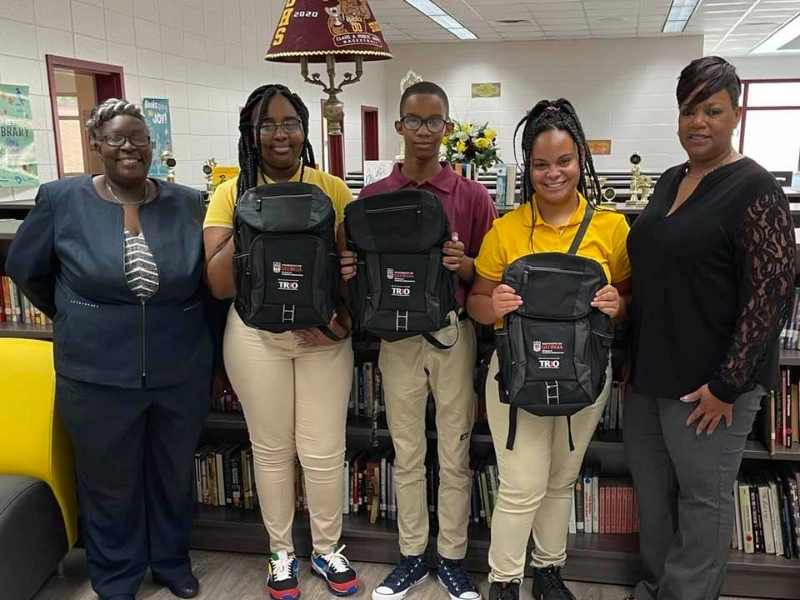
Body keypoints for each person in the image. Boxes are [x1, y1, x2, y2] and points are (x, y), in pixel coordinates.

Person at [6, 99, 212, 600]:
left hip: (179, 367)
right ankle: (116, 575)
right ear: (95, 145)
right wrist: (74, 317)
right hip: (94, 372)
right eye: (116, 138)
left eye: (138, 137)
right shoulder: (61, 199)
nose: (128, 147)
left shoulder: (188, 202)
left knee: (172, 474)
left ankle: (170, 561)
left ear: (152, 145)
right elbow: (25, 267)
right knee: (108, 481)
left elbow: (208, 283)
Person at [624, 56, 795, 600]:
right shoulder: (672, 179)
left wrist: (728, 384)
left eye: (712, 110)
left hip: (709, 383)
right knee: (653, 495)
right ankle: (654, 587)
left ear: (736, 114)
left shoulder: (755, 188)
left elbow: (772, 294)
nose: (698, 122)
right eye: (688, 110)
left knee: (702, 497)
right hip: (651, 373)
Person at [467, 99, 632, 600]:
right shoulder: (505, 229)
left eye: (563, 161)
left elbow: (630, 295)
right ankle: (504, 580)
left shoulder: (612, 228)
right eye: (540, 164)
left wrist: (616, 303)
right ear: (528, 168)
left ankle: (549, 569)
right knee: (520, 485)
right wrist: (491, 302)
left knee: (562, 480)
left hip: (583, 375)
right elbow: (475, 300)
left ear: (581, 159)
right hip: (516, 377)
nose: (553, 173)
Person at [341, 81, 498, 600]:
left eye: (435, 121)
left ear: (448, 129)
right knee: (407, 452)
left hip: (453, 332)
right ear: (399, 126)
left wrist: (466, 263)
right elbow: (363, 273)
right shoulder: (374, 197)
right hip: (396, 339)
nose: (424, 131)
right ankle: (411, 557)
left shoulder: (473, 197)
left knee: (453, 453)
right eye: (415, 120)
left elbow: (489, 278)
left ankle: (451, 559)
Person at [203, 84, 357, 600]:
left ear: (305, 128)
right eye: (267, 125)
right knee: (271, 451)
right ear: (251, 133)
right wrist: (249, 222)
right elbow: (221, 284)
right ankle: (281, 553)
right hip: (254, 336)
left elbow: (349, 275)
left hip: (322, 339)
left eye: (289, 122)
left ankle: (328, 548)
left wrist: (343, 323)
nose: (279, 134)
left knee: (323, 450)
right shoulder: (230, 192)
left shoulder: (332, 188)